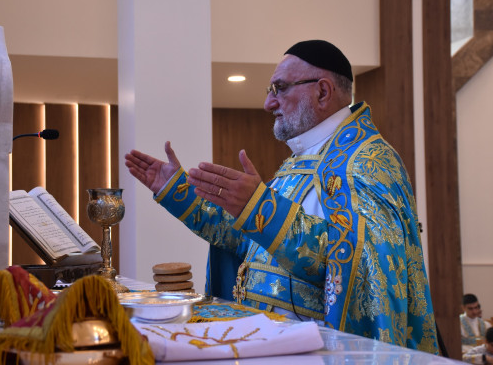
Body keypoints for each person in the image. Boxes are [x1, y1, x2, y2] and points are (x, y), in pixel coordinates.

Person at [125, 39, 439, 354]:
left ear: (322, 91)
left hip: (319, 351)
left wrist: (261, 209)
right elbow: (248, 243)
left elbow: (360, 268)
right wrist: (179, 192)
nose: (268, 103)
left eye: (280, 88)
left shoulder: (368, 163)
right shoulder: (299, 160)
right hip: (268, 343)